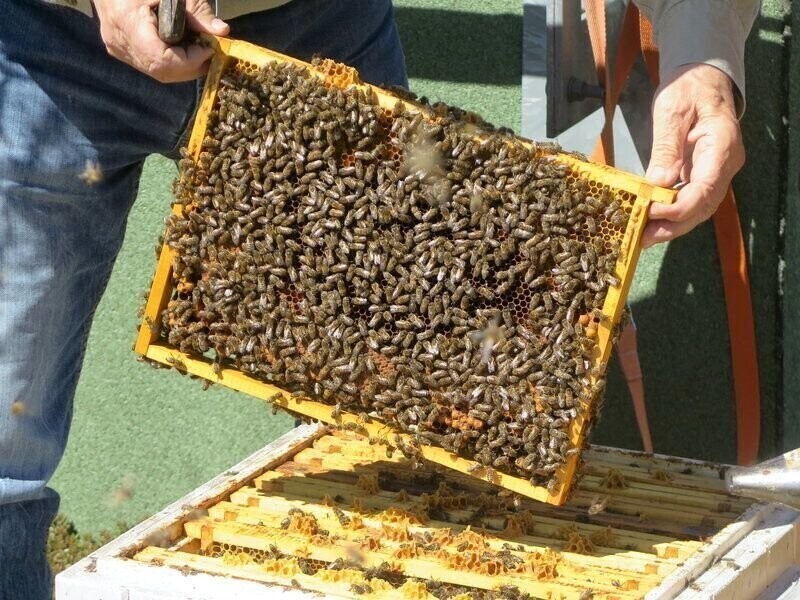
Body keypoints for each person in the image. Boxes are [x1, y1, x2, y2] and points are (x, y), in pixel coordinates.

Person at [0, 0, 758, 598]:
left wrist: (703, 58)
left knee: (408, 440)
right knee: (5, 457)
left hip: (318, 30)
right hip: (49, 42)